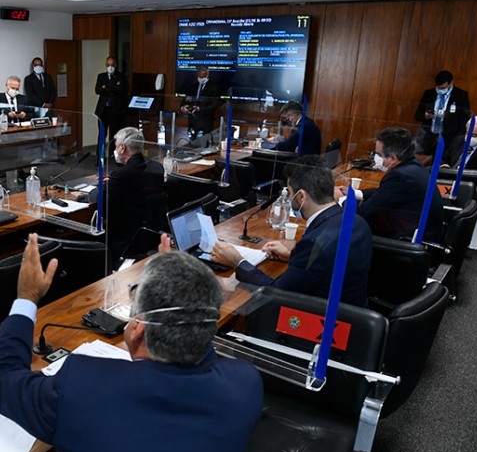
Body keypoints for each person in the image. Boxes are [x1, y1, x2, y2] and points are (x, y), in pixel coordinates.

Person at [0, 234, 263, 452]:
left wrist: (26, 297)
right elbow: (203, 349)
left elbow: (5, 381)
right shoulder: (245, 384)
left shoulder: (82, 384)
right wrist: (181, 291)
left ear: (138, 330)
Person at [214, 157, 372, 307]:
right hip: (352, 311)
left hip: (324, 323)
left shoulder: (314, 243)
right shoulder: (357, 221)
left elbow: (275, 292)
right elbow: (327, 265)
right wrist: (293, 255)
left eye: (290, 193)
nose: (289, 197)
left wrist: (237, 261)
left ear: (301, 196)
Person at [346, 127, 444, 243]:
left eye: (378, 154)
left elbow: (364, 212)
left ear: (393, 158)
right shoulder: (413, 165)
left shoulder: (400, 176)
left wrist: (341, 201)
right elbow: (384, 192)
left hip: (408, 244)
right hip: (425, 234)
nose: (375, 158)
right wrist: (354, 193)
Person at [106, 127, 166, 265]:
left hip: (126, 238)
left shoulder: (121, 175)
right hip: (151, 234)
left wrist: (104, 186)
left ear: (122, 148)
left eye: (115, 147)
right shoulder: (157, 167)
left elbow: (101, 200)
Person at [414, 70, 471, 157]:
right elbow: (418, 115)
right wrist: (426, 115)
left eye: (443, 88)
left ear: (451, 82)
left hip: (447, 138)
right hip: (428, 136)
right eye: (438, 87)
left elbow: (464, 119)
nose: (440, 90)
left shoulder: (461, 95)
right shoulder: (429, 94)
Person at [94, 56, 128, 154]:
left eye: (112, 65)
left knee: (116, 135)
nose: (110, 67)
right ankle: (99, 157)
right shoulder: (101, 76)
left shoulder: (121, 77)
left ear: (116, 65)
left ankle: (116, 156)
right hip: (103, 111)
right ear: (105, 65)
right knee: (101, 135)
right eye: (108, 65)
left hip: (115, 111)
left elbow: (121, 90)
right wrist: (113, 88)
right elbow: (98, 90)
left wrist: (106, 88)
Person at [180, 65, 220, 139]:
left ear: (207, 74)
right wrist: (183, 108)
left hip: (205, 124)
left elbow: (214, 105)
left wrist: (199, 108)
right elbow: (184, 101)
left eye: (203, 77)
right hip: (192, 124)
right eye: (200, 77)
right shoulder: (192, 87)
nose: (201, 79)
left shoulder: (214, 88)